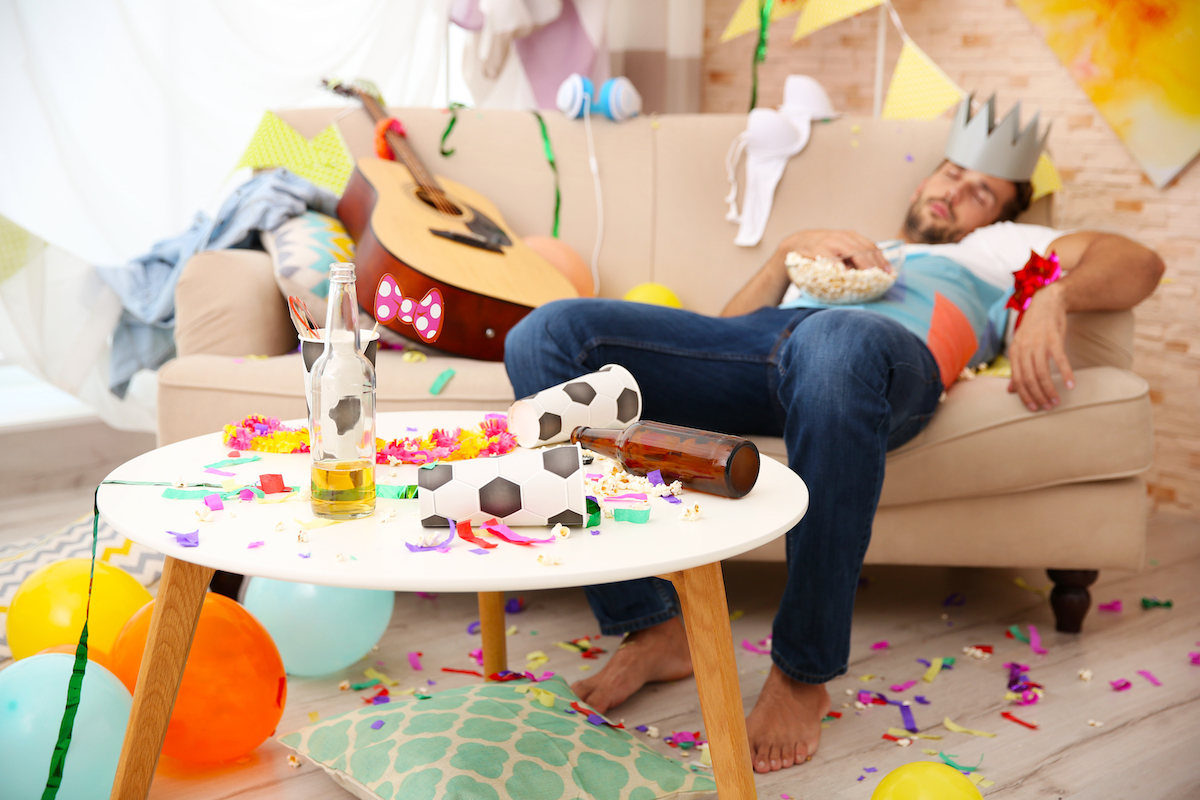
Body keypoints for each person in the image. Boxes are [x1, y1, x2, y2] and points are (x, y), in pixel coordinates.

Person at [503, 95, 1164, 774]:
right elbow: (727, 330)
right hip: (760, 351)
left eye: (981, 192)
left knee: (835, 339)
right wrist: (786, 253)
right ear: (924, 181)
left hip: (876, 362)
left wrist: (1053, 296)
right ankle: (653, 628)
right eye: (952, 174)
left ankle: (803, 672)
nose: (956, 191)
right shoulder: (861, 248)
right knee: (545, 334)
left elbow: (1139, 262)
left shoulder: (997, 251)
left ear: (1000, 215)